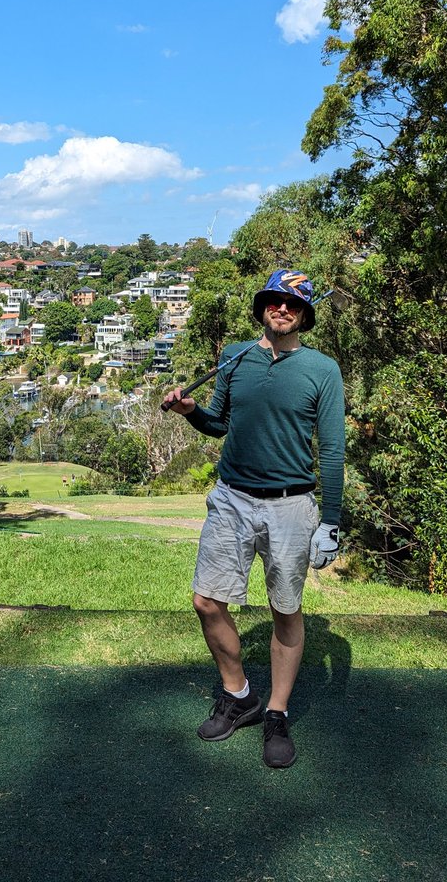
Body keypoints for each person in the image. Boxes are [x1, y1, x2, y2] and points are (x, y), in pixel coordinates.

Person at [162, 269, 344, 769]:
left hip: (292, 504)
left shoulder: (322, 369)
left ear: (304, 314)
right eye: (274, 301)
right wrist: (191, 410)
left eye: (292, 304)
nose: (281, 309)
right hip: (232, 497)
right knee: (206, 600)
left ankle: (278, 713)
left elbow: (331, 449)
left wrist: (331, 519)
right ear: (263, 307)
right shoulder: (235, 357)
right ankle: (239, 693)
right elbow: (219, 424)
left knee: (285, 609)